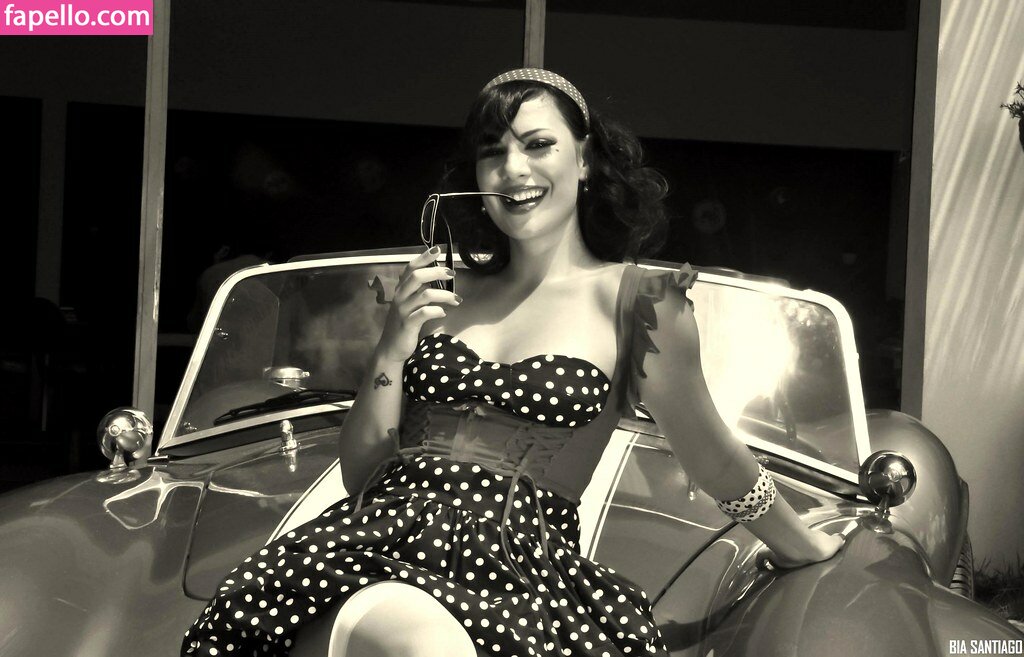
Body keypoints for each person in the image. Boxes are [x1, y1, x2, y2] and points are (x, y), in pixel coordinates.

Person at [182, 68, 844, 657]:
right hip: (374, 553)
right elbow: (363, 474)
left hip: (525, 580)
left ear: (585, 159)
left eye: (537, 144)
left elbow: (711, 454)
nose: (513, 168)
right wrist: (392, 345)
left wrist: (802, 546)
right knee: (416, 640)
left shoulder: (640, 302)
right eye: (492, 152)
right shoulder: (439, 291)